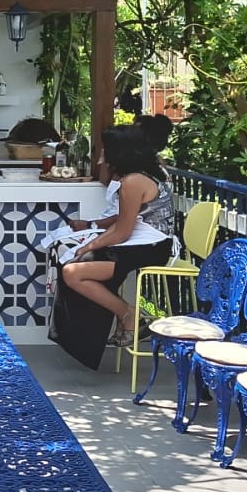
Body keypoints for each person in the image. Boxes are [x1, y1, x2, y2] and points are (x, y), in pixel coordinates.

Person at [53, 126, 176, 370]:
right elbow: (122, 222)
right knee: (77, 263)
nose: (102, 158)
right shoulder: (148, 173)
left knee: (72, 272)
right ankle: (125, 315)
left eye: (106, 151)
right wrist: (92, 234)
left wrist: (89, 245)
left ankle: (128, 314)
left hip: (150, 247)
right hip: (149, 242)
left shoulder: (133, 181)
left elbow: (122, 231)